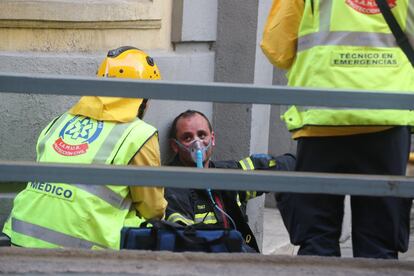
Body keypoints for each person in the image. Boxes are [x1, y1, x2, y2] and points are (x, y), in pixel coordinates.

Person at [261, 1, 414, 259]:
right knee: (379, 245)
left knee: (317, 241)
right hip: (386, 121)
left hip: (321, 121)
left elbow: (277, 49)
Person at [2, 46, 167, 250]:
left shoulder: (61, 121)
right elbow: (154, 210)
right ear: (143, 97)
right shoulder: (140, 134)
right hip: (80, 251)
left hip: (20, 239)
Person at [165, 110, 296, 252]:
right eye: (187, 138)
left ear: (213, 139)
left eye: (202, 135)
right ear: (175, 146)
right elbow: (187, 241)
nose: (197, 144)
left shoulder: (224, 174)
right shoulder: (173, 187)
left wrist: (305, 163)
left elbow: (267, 167)